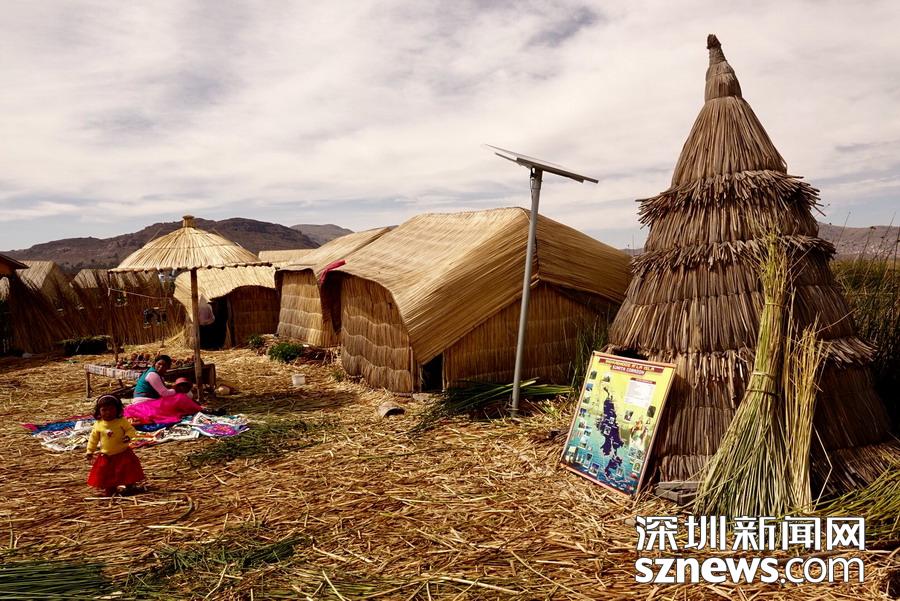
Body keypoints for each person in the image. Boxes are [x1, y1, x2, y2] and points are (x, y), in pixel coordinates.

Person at [85, 395, 146, 496]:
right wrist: (89, 451)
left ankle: (130, 487)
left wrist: (128, 436)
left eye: (111, 409)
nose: (108, 413)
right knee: (108, 473)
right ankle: (111, 489)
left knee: (127, 471)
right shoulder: (98, 424)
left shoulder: (121, 421)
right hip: (107, 455)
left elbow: (130, 430)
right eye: (104, 410)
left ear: (117, 409)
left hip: (123, 453)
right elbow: (93, 439)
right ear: (99, 411)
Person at [124, 377, 203, 425]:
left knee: (144, 410)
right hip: (158, 406)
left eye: (185, 386)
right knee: (148, 411)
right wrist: (199, 407)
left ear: (188, 388)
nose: (183, 388)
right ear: (177, 387)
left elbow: (190, 404)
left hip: (159, 406)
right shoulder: (179, 396)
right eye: (181, 386)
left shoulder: (181, 395)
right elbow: (193, 407)